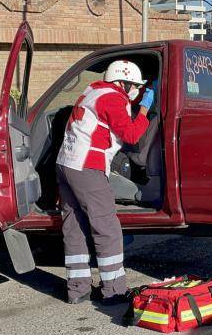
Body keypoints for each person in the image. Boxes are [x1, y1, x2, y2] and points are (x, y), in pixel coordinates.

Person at [55, 60, 155, 305]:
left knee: (74, 226)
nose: (135, 91)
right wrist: (143, 109)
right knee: (107, 227)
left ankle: (77, 289)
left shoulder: (92, 91)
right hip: (87, 165)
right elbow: (131, 134)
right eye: (133, 86)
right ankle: (113, 290)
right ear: (122, 82)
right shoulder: (112, 98)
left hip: (66, 163)